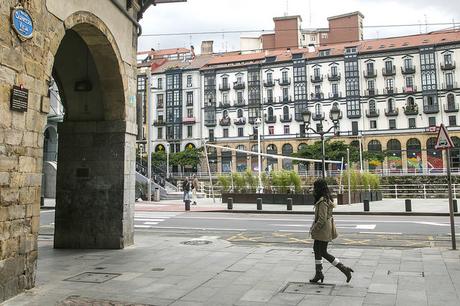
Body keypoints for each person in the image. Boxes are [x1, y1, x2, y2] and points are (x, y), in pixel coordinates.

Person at [309, 178, 354, 283]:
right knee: (317, 249)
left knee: (322, 251)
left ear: (319, 188)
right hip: (324, 229)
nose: (313, 189)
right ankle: (319, 273)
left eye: (315, 187)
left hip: (323, 230)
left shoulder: (323, 201)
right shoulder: (324, 199)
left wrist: (313, 229)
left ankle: (344, 269)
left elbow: (321, 219)